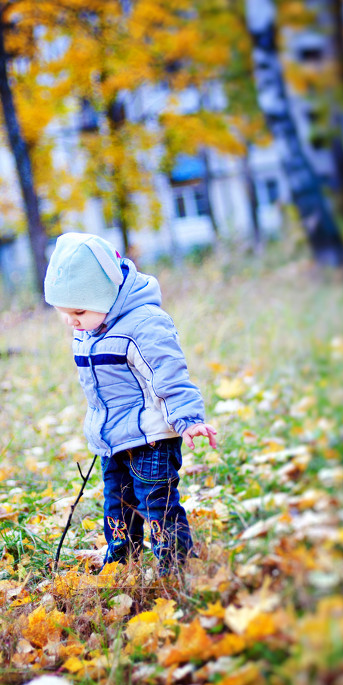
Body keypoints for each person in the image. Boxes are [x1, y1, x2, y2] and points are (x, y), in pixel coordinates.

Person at [44, 232, 217, 574]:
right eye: (63, 312)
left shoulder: (144, 324)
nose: (71, 321)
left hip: (151, 439)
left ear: (107, 294)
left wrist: (189, 418)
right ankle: (123, 562)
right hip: (114, 440)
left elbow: (168, 373)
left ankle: (176, 565)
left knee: (156, 503)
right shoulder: (90, 326)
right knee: (117, 505)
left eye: (78, 310)